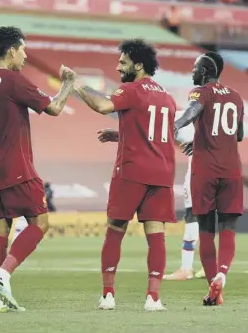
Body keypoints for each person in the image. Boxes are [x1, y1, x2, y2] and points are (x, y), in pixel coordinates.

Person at [0, 26, 75, 312]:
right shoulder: (13, 80)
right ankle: (3, 273)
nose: (25, 56)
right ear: (12, 50)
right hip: (16, 167)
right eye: (23, 50)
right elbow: (54, 108)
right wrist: (68, 84)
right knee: (40, 223)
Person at [73, 38, 177, 311]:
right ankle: (153, 298)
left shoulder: (131, 89)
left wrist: (77, 86)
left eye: (123, 62)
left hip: (132, 171)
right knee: (156, 235)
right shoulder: (167, 96)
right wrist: (121, 134)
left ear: (138, 65)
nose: (118, 67)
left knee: (115, 230)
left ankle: (108, 295)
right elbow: (157, 134)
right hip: (162, 173)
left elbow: (102, 106)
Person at [174, 51, 244, 306]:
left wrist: (176, 125)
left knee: (205, 229)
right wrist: (200, 139)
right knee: (228, 228)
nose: (192, 73)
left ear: (203, 72)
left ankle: (213, 287)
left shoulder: (201, 92)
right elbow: (238, 136)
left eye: (194, 68)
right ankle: (221, 277)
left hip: (205, 169)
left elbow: (193, 110)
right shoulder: (236, 96)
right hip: (232, 169)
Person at [163, 109, 205, 281]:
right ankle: (210, 266)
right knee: (209, 219)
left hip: (198, 173)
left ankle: (186, 268)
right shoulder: (218, 116)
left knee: (192, 215)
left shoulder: (183, 117)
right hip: (220, 173)